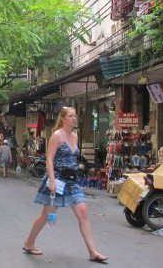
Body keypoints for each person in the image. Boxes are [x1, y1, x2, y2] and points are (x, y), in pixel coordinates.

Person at [22, 107, 108, 264]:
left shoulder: (75, 136)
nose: (74, 119)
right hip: (58, 179)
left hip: (72, 180)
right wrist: (53, 181)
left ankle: (92, 252)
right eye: (71, 116)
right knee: (47, 214)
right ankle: (29, 242)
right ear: (63, 119)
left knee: (83, 213)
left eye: (75, 116)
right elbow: (49, 159)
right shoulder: (57, 135)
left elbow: (74, 157)